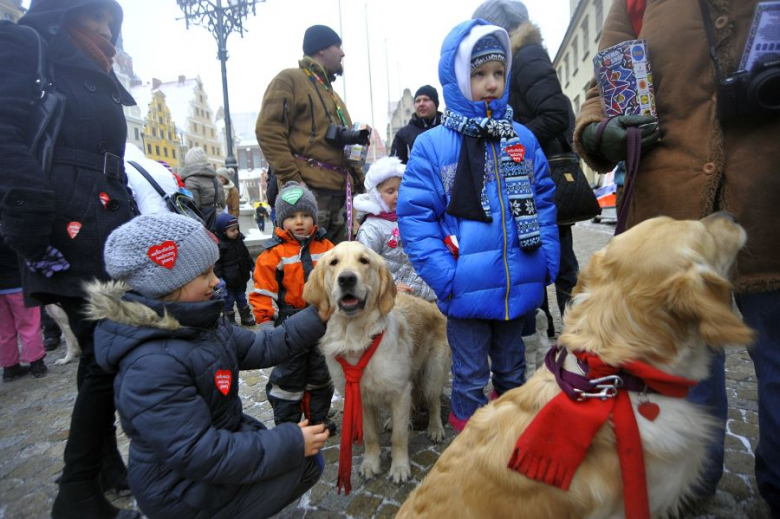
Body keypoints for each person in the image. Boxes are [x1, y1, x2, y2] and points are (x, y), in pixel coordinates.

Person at [572, 1, 780, 515]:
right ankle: (692, 487)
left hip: (769, 199)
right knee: (686, 369)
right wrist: (597, 132)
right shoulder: (636, 3)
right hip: (669, 211)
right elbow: (601, 87)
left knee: (777, 357)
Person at [90, 213, 330, 519]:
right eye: (204, 274)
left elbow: (264, 346)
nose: (216, 281)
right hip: (180, 493)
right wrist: (290, 441)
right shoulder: (151, 364)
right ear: (169, 284)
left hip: (205, 471)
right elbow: (198, 452)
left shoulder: (198, 322)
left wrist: (318, 315)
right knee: (303, 461)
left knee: (307, 462)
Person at [0, 1, 141, 517]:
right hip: (67, 223)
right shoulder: (27, 46)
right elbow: (5, 132)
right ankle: (76, 491)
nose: (106, 27)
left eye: (111, 18)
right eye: (95, 15)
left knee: (99, 355)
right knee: (108, 353)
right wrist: (31, 223)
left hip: (103, 218)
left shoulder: (93, 61)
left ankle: (102, 466)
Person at [397, 20, 559, 432]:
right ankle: (468, 466)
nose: (491, 83)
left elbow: (542, 200)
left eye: (498, 74)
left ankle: (508, 453)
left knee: (512, 377)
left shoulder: (519, 138)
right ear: (456, 76)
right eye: (479, 74)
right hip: (464, 291)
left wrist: (547, 263)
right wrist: (446, 277)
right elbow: (416, 217)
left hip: (517, 285)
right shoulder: (434, 146)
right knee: (469, 381)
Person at [474, 0, 580, 339]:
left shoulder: (528, 55)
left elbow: (555, 115)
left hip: (540, 174)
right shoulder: (509, 62)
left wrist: (510, 137)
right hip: (524, 173)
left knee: (561, 264)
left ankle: (580, 337)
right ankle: (547, 334)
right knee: (532, 259)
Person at [256, 25, 365, 244]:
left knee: (338, 270)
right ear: (321, 49)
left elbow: (346, 148)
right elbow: (268, 130)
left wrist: (360, 187)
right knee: (302, 269)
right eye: (338, 46)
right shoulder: (289, 80)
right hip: (308, 197)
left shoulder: (333, 96)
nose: (342, 53)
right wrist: (294, 182)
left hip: (340, 197)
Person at [249, 182, 336, 433]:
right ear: (280, 220)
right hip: (288, 325)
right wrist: (266, 324)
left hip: (322, 322)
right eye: (292, 217)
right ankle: (288, 425)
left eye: (306, 215)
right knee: (288, 378)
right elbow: (263, 292)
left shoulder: (327, 248)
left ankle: (317, 419)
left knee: (321, 376)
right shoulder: (272, 254)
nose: (300, 222)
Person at [354, 156, 436, 301]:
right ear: (376, 196)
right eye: (390, 191)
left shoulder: (413, 218)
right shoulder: (371, 228)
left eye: (401, 189)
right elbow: (365, 265)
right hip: (396, 297)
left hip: (428, 293)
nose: (398, 196)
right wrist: (391, 284)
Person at [1, 237, 47, 382]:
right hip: (18, 284)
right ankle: (36, 364)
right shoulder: (9, 232)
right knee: (29, 325)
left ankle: (9, 368)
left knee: (4, 330)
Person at [214, 212, 256, 326]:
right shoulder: (219, 246)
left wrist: (253, 267)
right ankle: (230, 320)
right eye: (232, 230)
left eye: (237, 229)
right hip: (228, 283)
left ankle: (245, 316)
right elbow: (217, 265)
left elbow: (246, 256)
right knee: (229, 301)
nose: (236, 232)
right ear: (223, 231)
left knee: (242, 298)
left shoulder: (239, 241)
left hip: (241, 278)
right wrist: (219, 279)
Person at [390, 85, 443, 164]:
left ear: (435, 103)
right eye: (418, 101)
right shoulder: (403, 135)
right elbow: (394, 166)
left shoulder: (447, 129)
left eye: (426, 100)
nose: (421, 104)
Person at [124, 143, 181, 215]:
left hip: (149, 218)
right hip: (175, 216)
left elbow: (129, 198)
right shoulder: (159, 166)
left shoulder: (127, 169)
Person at [180, 146, 225, 229]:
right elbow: (223, 204)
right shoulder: (216, 179)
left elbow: (193, 207)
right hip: (221, 220)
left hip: (204, 223)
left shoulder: (191, 181)